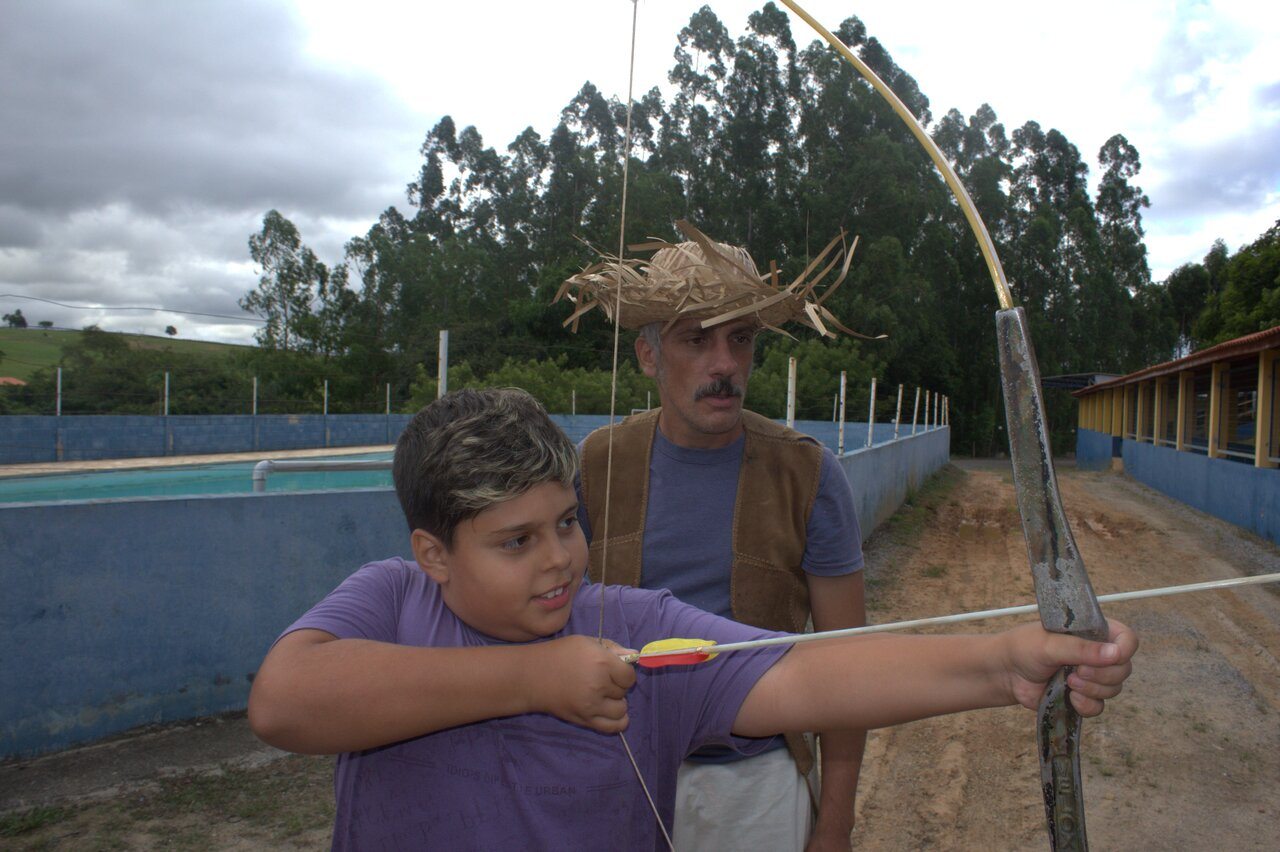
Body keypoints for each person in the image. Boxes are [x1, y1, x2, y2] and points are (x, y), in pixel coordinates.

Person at [248, 387, 1137, 851]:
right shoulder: (390, 601)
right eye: (515, 541)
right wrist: (534, 678)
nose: (559, 559)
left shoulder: (631, 628)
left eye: (567, 523)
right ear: (434, 553)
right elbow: (284, 701)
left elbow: (810, 671)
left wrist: (1005, 663)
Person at [561, 223, 870, 850]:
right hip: (620, 771)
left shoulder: (807, 473)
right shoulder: (597, 465)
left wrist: (836, 823)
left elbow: (847, 663)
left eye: (741, 338)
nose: (724, 364)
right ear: (649, 356)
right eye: (696, 339)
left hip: (760, 786)